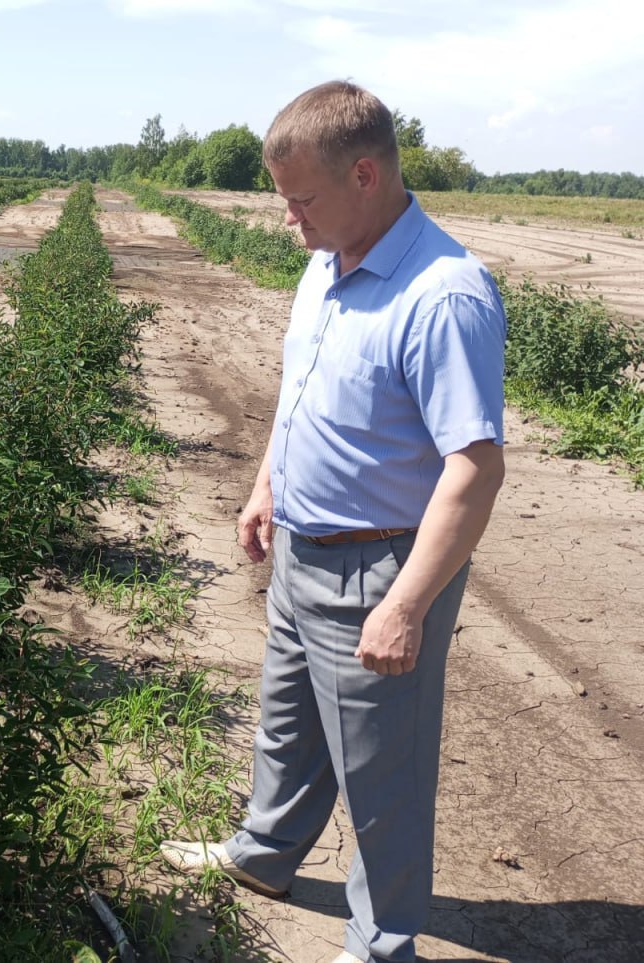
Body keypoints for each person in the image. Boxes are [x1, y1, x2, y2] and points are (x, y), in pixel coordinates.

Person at [160, 81, 506, 963]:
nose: (288, 220)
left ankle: (382, 943)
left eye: (300, 200)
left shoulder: (444, 294)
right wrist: (265, 484)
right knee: (288, 727)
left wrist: (406, 604)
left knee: (381, 776)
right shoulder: (327, 262)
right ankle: (265, 856)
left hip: (380, 566)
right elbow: (303, 392)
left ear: (364, 175)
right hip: (303, 547)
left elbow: (474, 467)